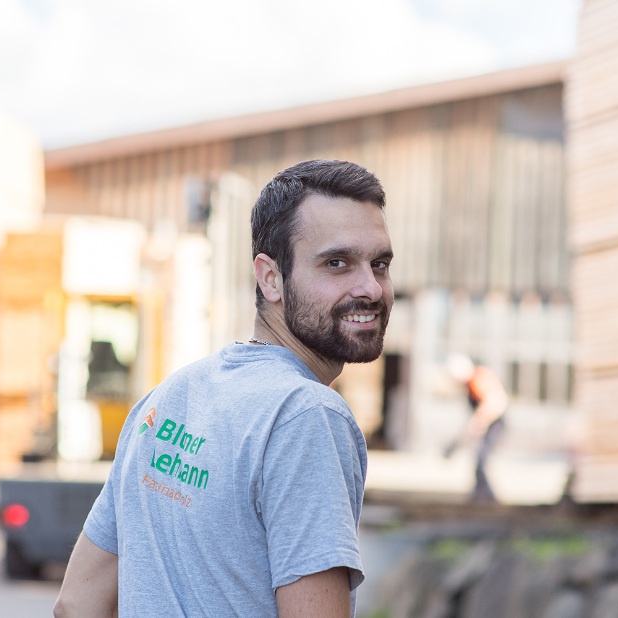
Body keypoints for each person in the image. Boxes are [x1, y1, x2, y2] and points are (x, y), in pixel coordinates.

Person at [53, 159, 394, 618]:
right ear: (270, 278)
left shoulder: (169, 397)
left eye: (380, 264)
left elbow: (76, 605)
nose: (370, 287)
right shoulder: (306, 415)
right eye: (337, 263)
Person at [465, 364, 508, 502]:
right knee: (479, 457)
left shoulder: (478, 380)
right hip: (488, 422)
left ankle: (485, 494)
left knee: (481, 458)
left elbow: (495, 402)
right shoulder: (472, 383)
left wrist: (481, 420)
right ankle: (481, 492)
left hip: (494, 423)